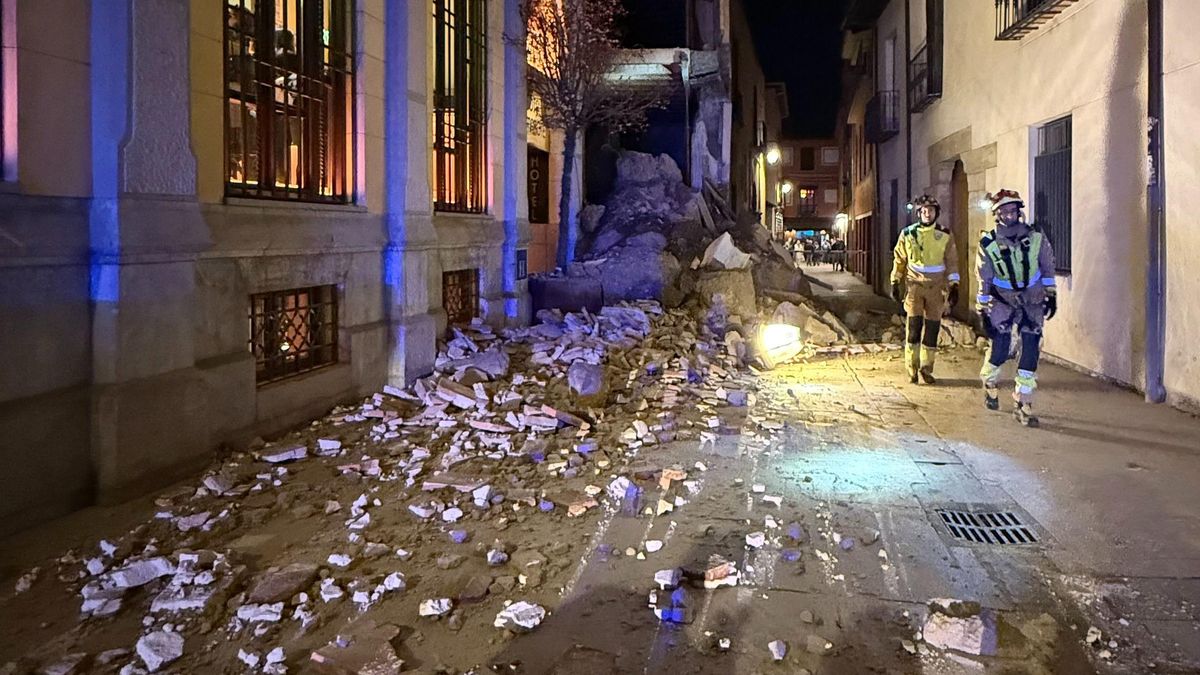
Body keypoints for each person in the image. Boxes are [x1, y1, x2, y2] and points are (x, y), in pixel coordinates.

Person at [976, 189, 1057, 427]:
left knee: (1031, 348)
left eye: (1013, 210)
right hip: (1002, 299)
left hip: (1032, 298)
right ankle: (989, 382)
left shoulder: (1036, 237)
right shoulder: (988, 243)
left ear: (1019, 211)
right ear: (997, 215)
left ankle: (1023, 402)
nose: (1009, 215)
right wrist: (982, 309)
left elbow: (1047, 266)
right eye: (1004, 211)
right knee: (1000, 349)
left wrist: (1050, 294)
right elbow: (984, 276)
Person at [890, 195, 960, 384]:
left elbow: (952, 261)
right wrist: (895, 282)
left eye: (931, 210)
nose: (927, 214)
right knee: (913, 329)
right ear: (918, 213)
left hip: (936, 288)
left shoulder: (945, 234)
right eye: (923, 211)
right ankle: (911, 369)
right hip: (914, 287)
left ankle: (926, 369)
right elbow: (900, 259)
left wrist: (954, 286)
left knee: (932, 330)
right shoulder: (908, 234)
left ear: (936, 213)